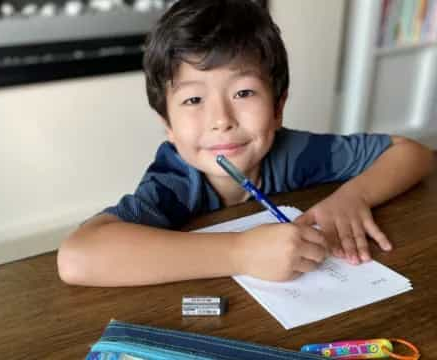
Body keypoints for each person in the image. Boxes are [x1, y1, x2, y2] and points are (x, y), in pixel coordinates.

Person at [57, 0, 434, 287]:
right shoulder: (175, 182)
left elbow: (412, 154)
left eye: (244, 92)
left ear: (278, 107)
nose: (221, 119)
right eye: (193, 100)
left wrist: (353, 196)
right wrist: (240, 253)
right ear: (168, 126)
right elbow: (78, 257)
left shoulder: (296, 154)